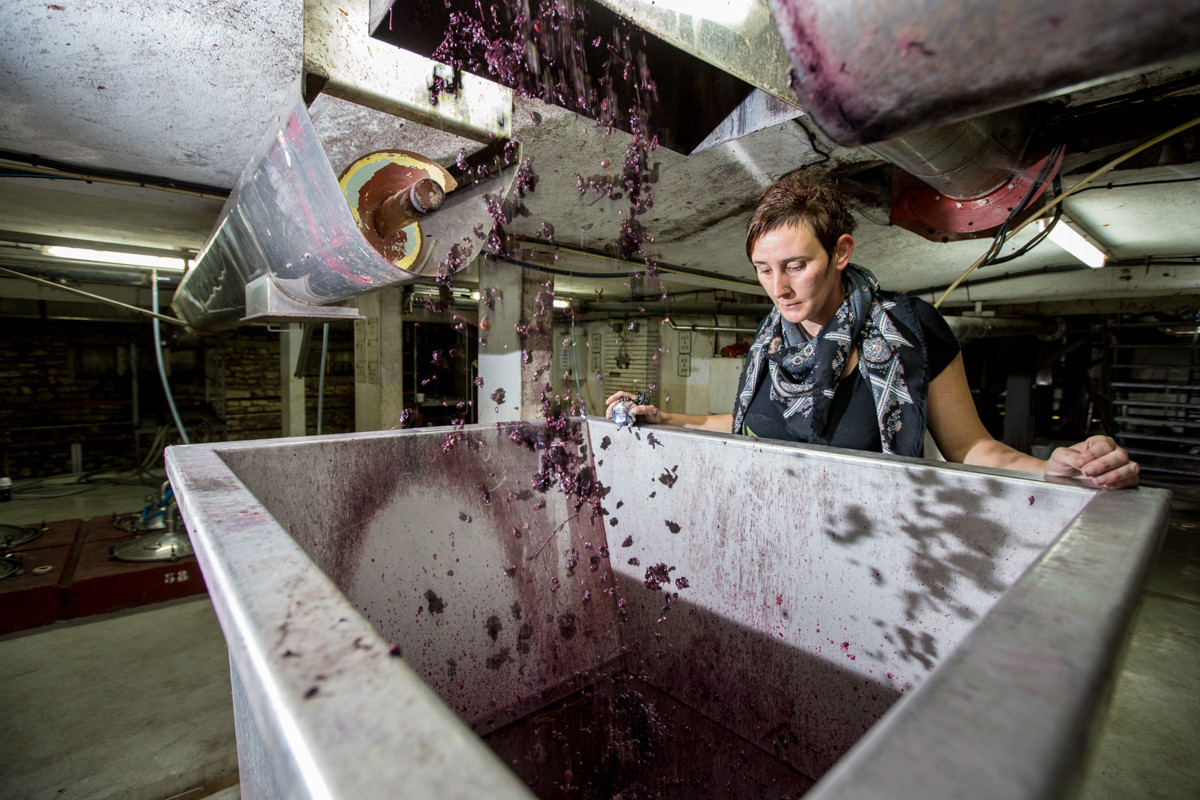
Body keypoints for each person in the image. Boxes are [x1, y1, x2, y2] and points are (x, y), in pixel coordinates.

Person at [605, 171, 1139, 489]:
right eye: (764, 270)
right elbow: (751, 425)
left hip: (871, 550)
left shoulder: (908, 331)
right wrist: (667, 417)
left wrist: (1051, 470)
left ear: (840, 252)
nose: (778, 289)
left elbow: (971, 447)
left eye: (795, 265)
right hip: (772, 535)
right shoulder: (771, 341)